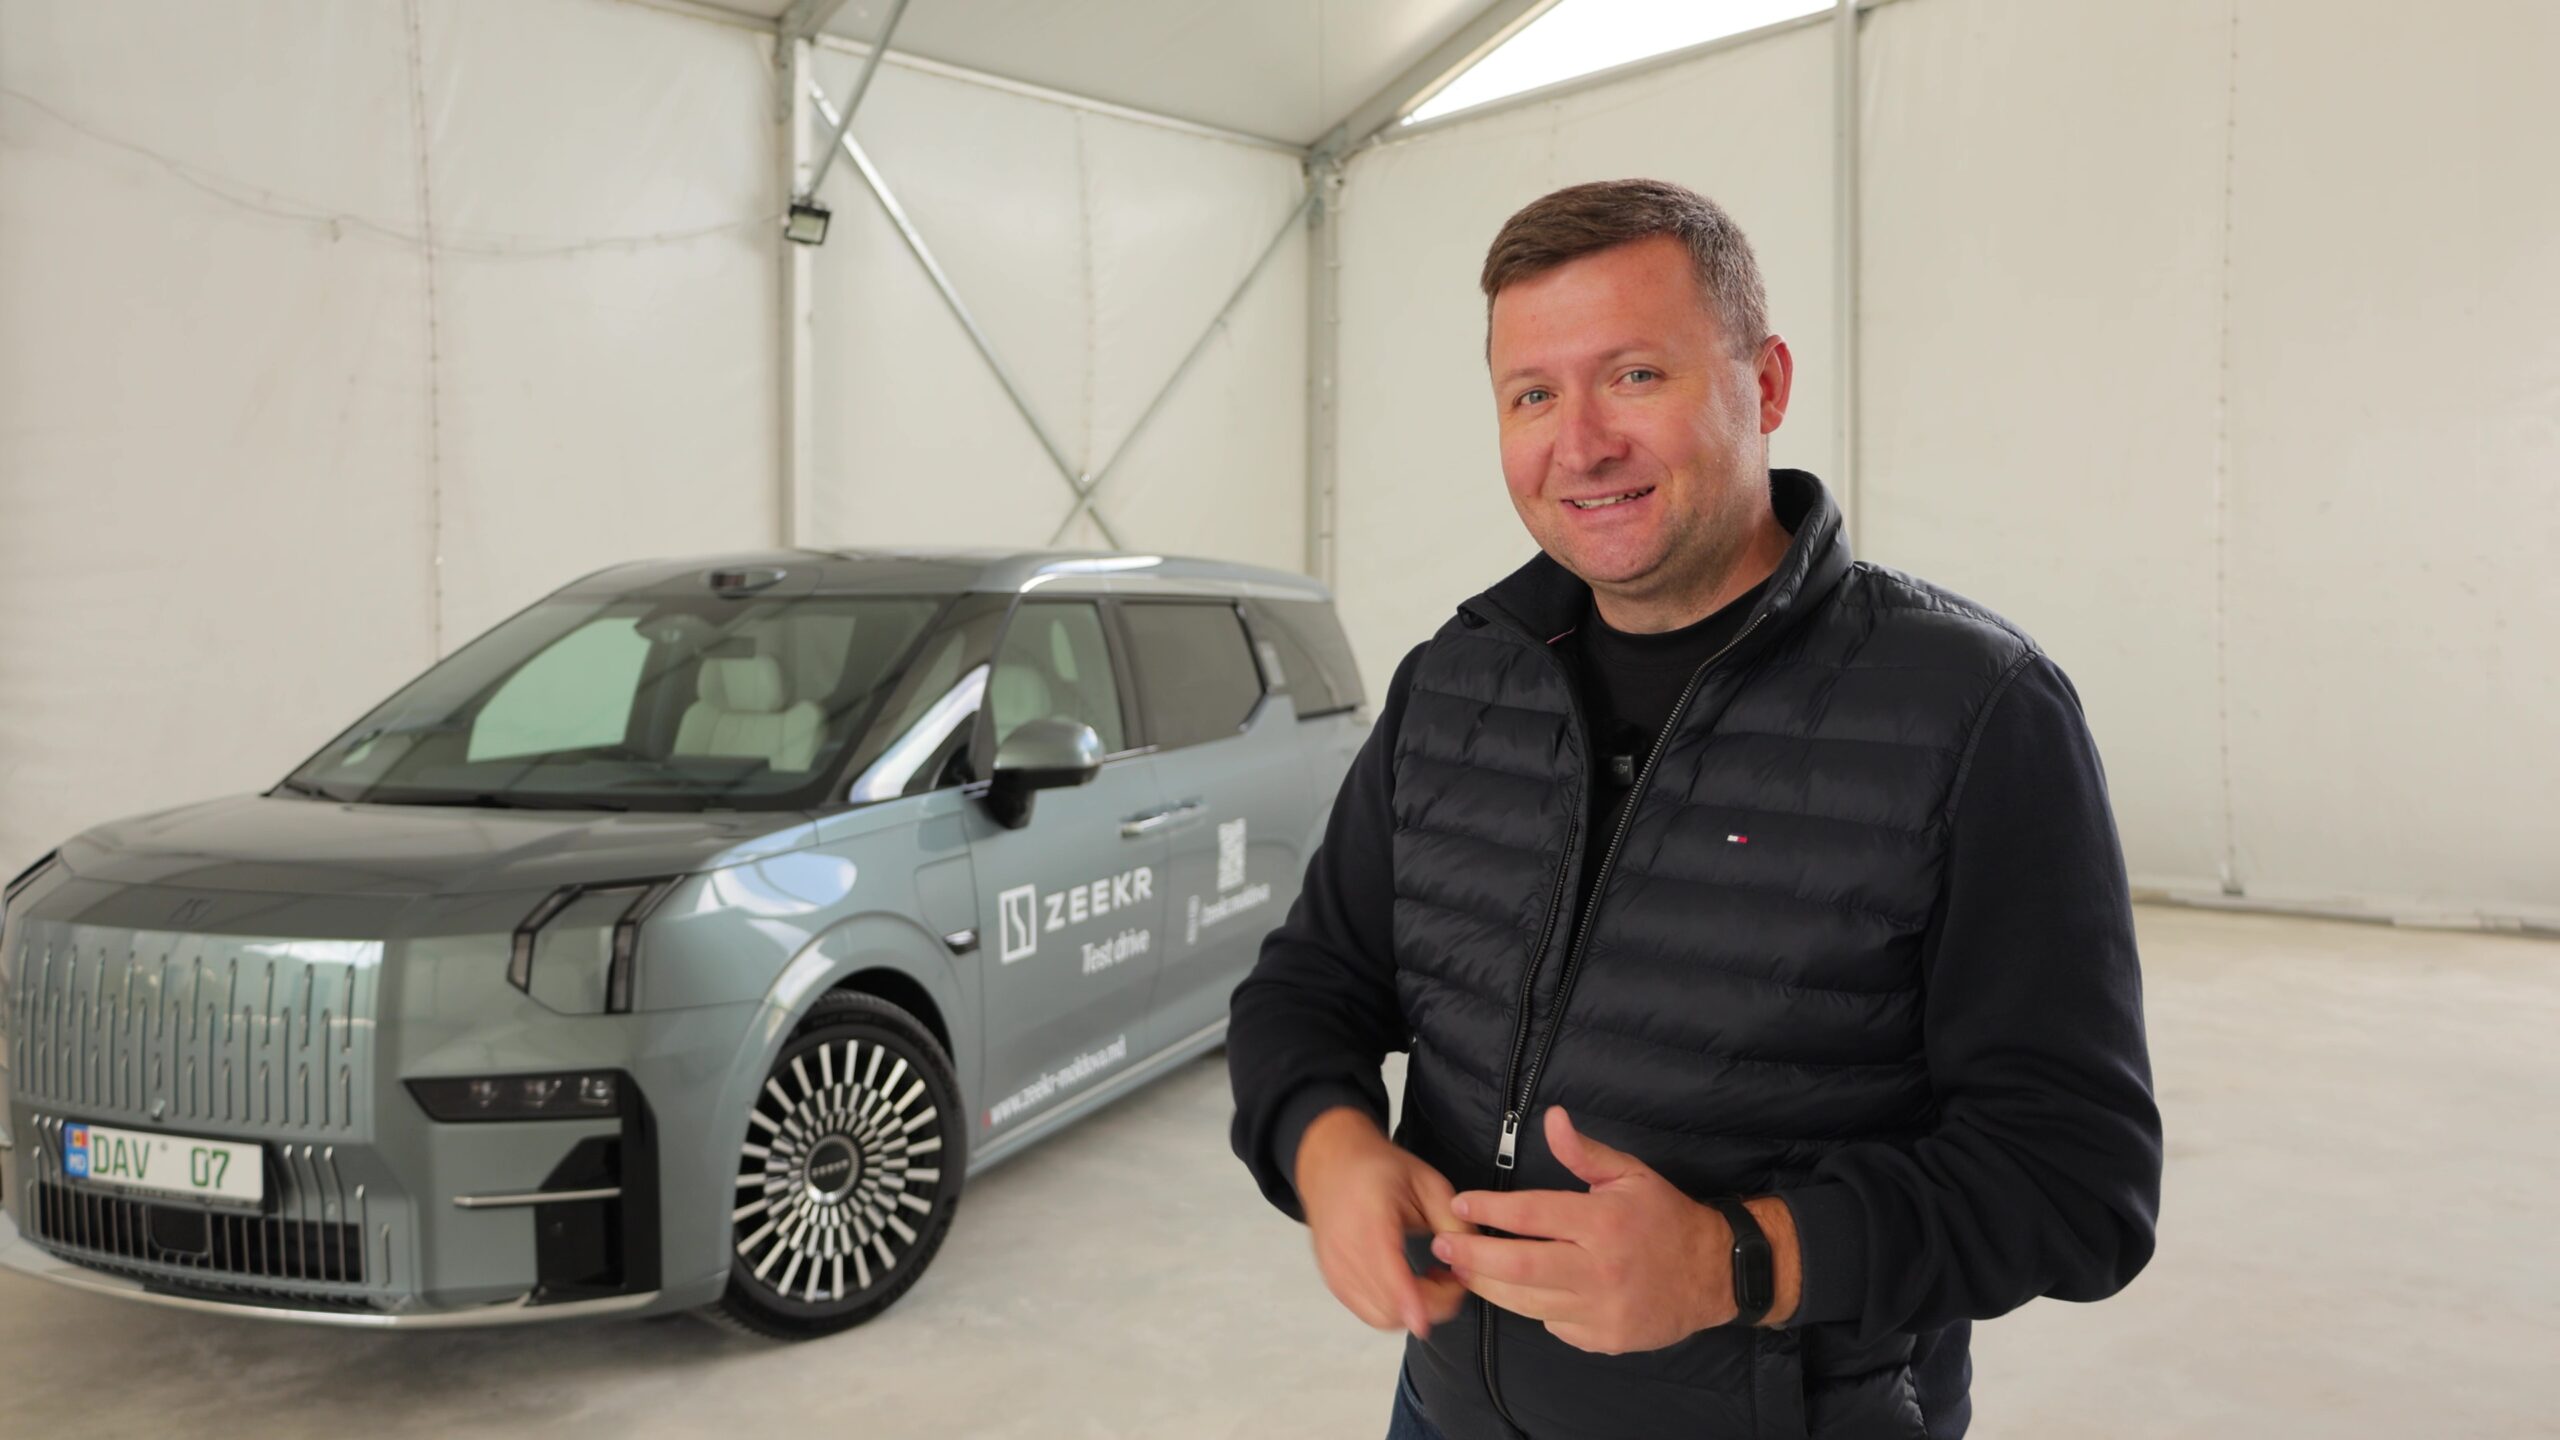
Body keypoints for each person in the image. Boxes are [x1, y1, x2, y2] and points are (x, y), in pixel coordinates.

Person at [1226, 179, 2163, 1439]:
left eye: (1633, 376)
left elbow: (2077, 1181)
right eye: (1532, 394)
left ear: (1763, 386)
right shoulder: (1455, 685)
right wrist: (1325, 1142)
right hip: (1447, 1409)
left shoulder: (1975, 711)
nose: (1580, 445)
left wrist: (1739, 1260)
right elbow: (1307, 986)